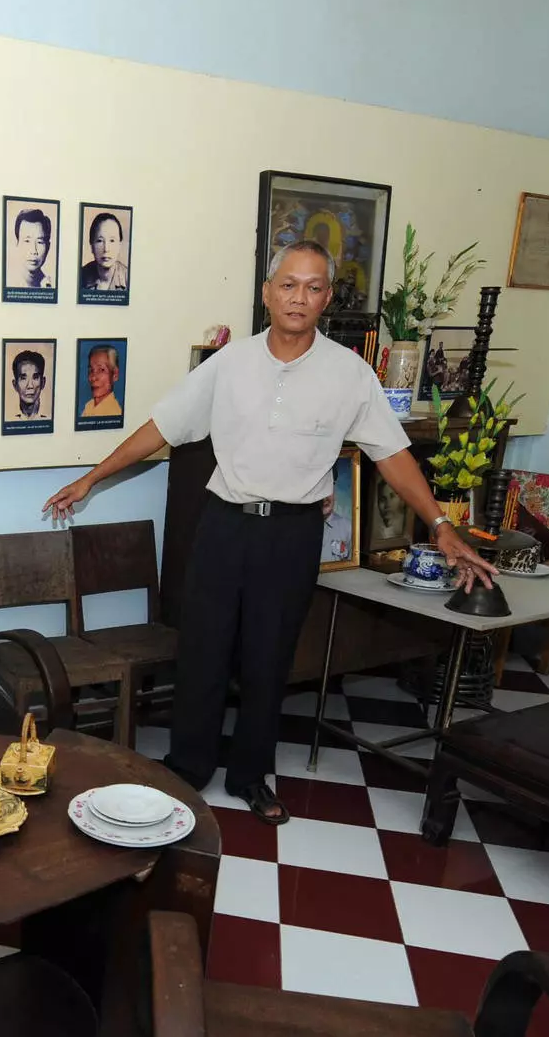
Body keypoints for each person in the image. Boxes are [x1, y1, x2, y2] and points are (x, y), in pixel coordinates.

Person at [44, 239, 493, 825]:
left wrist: (439, 523)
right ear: (267, 292)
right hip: (223, 526)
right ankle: (188, 767)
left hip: (291, 535)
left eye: (312, 287)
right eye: (287, 284)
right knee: (202, 652)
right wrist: (92, 479)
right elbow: (163, 427)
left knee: (268, 659)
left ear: (326, 298)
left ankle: (250, 775)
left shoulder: (350, 374)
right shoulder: (227, 363)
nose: (297, 297)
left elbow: (393, 454)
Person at [79, 210, 128, 292]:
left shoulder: (128, 277)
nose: (106, 249)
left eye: (112, 240)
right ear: (91, 246)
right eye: (100, 241)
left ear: (119, 245)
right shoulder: (81, 276)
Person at [9, 207, 53, 289]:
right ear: (17, 244)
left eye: (40, 242)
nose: (33, 251)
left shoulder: (49, 284)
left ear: (48, 247)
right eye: (27, 241)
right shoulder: (10, 281)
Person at [81, 345, 123, 418]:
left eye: (101, 370)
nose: (93, 377)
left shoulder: (113, 412)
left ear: (115, 375)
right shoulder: (89, 406)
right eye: (91, 370)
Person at [9, 348, 50, 420]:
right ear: (15, 385)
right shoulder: (9, 418)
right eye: (23, 378)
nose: (30, 386)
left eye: (35, 377)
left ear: (43, 382)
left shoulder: (49, 417)